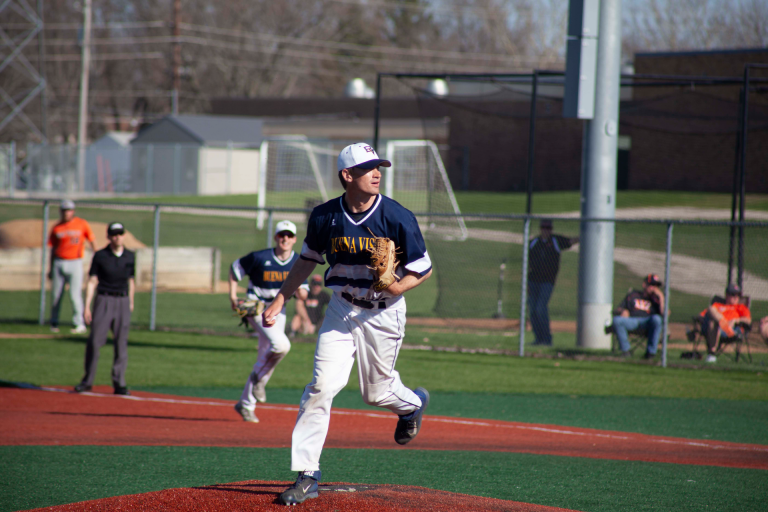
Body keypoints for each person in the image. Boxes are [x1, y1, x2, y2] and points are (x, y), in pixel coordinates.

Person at [261, 142, 433, 506]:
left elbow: (423, 267)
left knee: (377, 393)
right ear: (346, 176)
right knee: (321, 386)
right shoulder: (325, 216)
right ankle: (307, 475)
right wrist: (280, 298)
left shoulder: (397, 216)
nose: (377, 173)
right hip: (340, 310)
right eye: (368, 167)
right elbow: (307, 261)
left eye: (379, 167)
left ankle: (412, 404)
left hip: (384, 312)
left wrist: (395, 284)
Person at [229, 220, 309, 423]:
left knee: (266, 358)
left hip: (278, 312)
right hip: (256, 308)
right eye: (282, 234)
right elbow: (234, 268)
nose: (285, 238)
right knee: (281, 345)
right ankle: (258, 382)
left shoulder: (298, 262)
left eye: (289, 235)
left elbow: (303, 295)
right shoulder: (260, 257)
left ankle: (246, 403)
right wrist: (232, 297)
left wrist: (300, 291)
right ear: (276, 237)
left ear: (294, 239)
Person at [75, 222, 135, 395]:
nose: (117, 237)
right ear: (108, 236)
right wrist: (87, 306)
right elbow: (92, 281)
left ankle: (119, 383)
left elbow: (131, 281)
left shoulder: (130, 256)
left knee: (121, 343)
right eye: (114, 234)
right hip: (104, 299)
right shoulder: (101, 256)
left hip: (122, 300)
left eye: (120, 234)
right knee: (95, 341)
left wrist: (131, 302)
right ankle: (87, 380)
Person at [527, 219, 579, 346]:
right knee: (532, 309)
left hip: (547, 281)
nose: (546, 230)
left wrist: (586, 235)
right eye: (544, 228)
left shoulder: (555, 241)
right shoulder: (534, 242)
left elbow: (570, 241)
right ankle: (538, 338)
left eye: (548, 228)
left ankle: (546, 339)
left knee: (540, 308)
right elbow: (526, 259)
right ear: (540, 229)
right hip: (533, 280)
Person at [48, 199, 96, 334]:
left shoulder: (81, 224)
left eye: (69, 210)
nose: (66, 213)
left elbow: (92, 240)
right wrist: (50, 267)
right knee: (56, 295)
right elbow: (52, 248)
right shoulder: (57, 227)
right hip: (59, 261)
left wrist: (97, 257)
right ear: (60, 212)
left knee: (75, 295)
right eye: (64, 210)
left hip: (75, 262)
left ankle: (79, 323)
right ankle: (54, 322)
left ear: (73, 211)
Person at [612, 274, 666, 359]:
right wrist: (623, 311)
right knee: (617, 320)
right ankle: (626, 351)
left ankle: (650, 353)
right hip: (632, 321)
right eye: (651, 285)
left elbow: (664, 314)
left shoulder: (656, 300)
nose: (654, 288)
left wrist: (661, 297)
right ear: (644, 285)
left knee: (657, 319)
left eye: (656, 286)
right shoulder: (633, 295)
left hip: (647, 322)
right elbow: (619, 308)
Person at [697, 284, 751, 363]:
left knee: (713, 317)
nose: (736, 297)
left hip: (733, 330)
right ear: (727, 295)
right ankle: (723, 323)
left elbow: (748, 320)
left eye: (738, 295)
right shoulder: (717, 305)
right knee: (711, 311)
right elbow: (701, 316)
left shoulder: (741, 307)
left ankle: (712, 354)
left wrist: (736, 320)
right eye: (733, 294)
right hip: (716, 328)